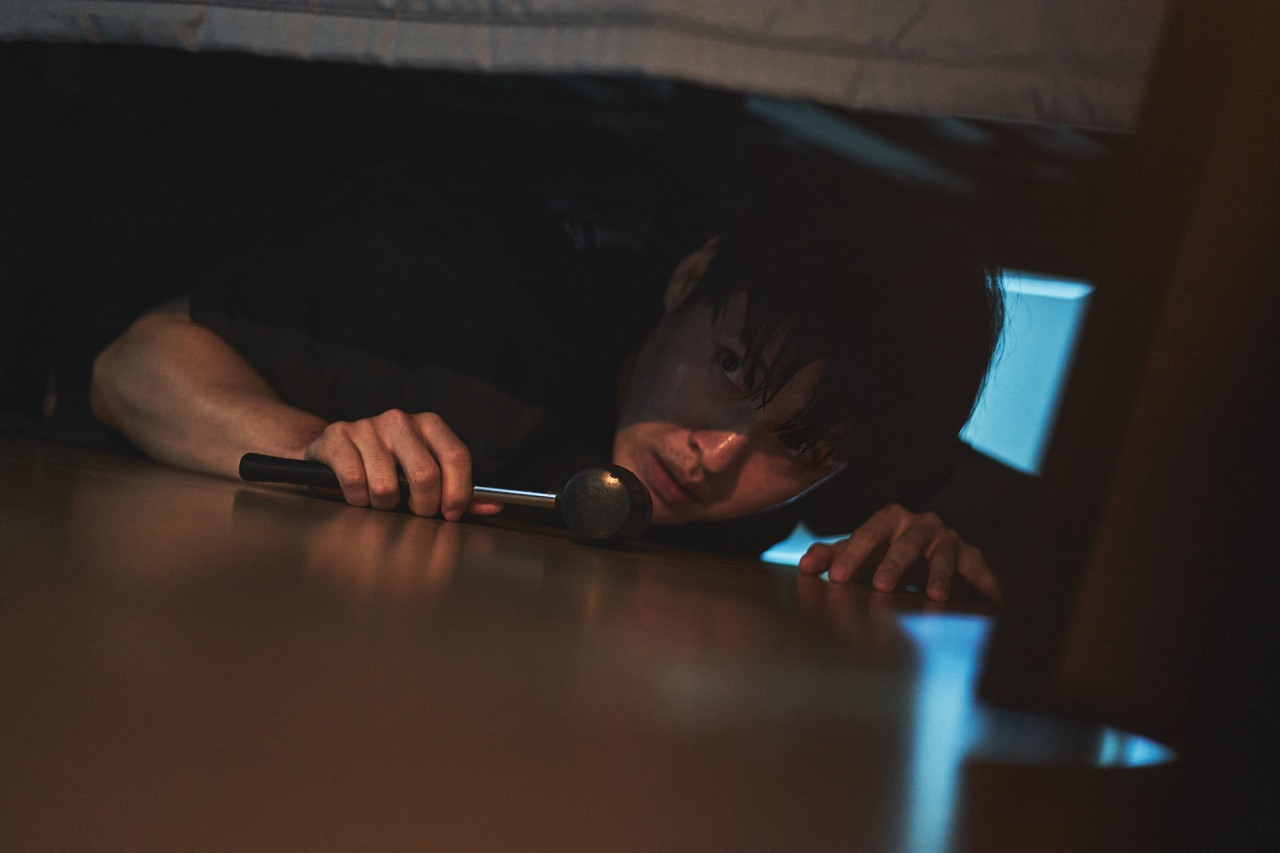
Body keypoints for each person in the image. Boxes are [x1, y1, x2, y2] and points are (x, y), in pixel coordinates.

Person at [89, 159, 1005, 602]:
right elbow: (133, 365)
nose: (718, 455)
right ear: (688, 278)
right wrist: (320, 444)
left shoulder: (843, 450)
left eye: (798, 443)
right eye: (731, 367)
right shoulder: (457, 299)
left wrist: (931, 555)